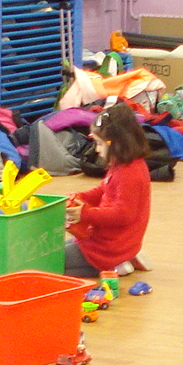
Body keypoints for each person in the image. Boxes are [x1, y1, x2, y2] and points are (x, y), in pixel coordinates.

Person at [63, 103, 152, 277]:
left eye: (99, 144)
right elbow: (104, 190)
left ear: (116, 144)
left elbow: (123, 214)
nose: (97, 149)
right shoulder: (123, 164)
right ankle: (125, 258)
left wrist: (85, 213)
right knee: (55, 253)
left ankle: (116, 263)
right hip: (105, 241)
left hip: (107, 249)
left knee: (49, 263)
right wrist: (81, 197)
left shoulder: (130, 173)